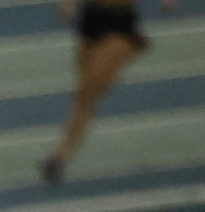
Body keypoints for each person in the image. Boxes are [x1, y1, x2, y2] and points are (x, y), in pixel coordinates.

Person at [40, 0, 172, 183]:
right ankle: (61, 157)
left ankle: (60, 155)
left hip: (121, 25)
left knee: (89, 90)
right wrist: (68, 4)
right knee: (83, 97)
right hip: (90, 19)